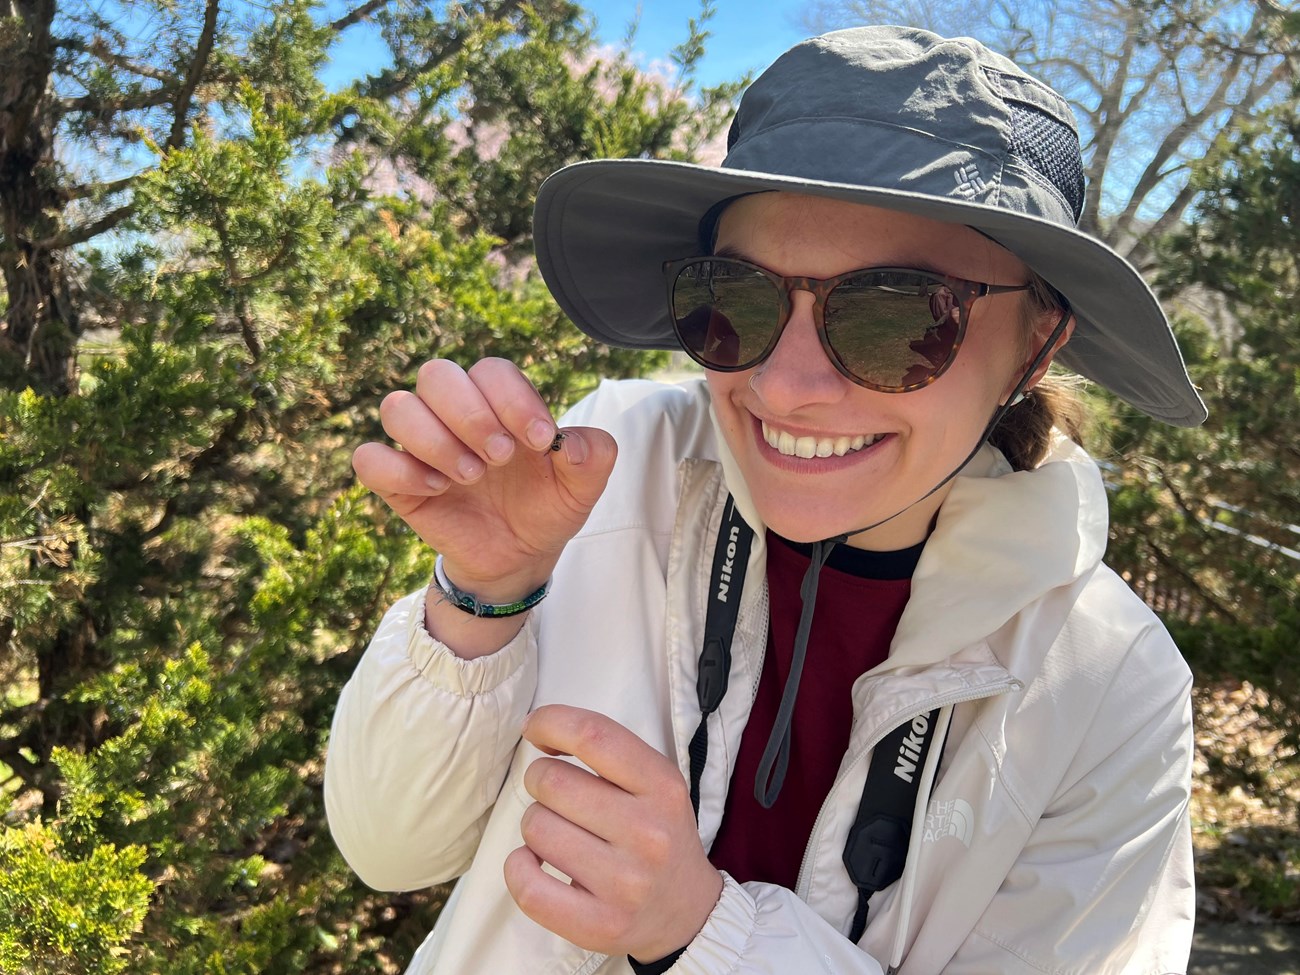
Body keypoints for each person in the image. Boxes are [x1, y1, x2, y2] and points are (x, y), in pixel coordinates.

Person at [325, 25, 1205, 975]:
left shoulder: (1106, 683)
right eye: (735, 300)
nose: (785, 388)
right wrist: (482, 596)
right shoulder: (609, 470)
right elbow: (389, 850)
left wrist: (698, 933)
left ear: (1036, 344)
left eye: (894, 316)